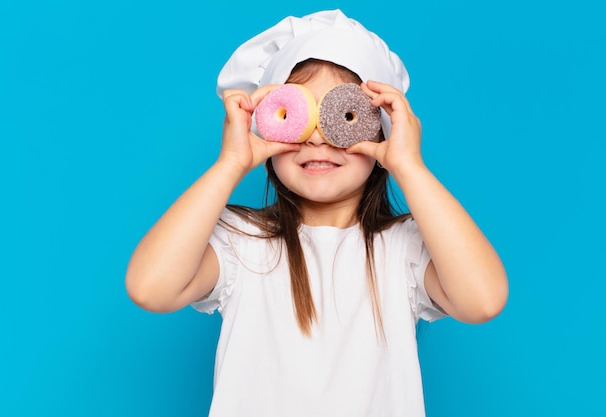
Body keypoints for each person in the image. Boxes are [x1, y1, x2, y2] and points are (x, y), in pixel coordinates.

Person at [125, 9, 508, 417]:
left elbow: (482, 301)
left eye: (345, 116)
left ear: (382, 132)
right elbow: (151, 288)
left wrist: (410, 166)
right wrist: (231, 162)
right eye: (296, 115)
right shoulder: (242, 242)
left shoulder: (404, 249)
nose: (319, 139)